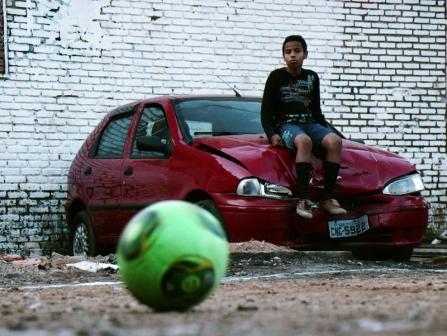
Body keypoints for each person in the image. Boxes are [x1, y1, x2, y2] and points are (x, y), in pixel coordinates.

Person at [261, 34, 347, 219]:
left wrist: (327, 130)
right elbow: (266, 111)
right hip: (287, 125)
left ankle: (327, 198)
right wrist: (271, 134)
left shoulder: (312, 77)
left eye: (297, 51)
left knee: (334, 141)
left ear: (305, 54)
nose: (293, 55)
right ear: (283, 55)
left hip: (311, 123)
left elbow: (316, 110)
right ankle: (304, 199)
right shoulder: (276, 77)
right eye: (288, 52)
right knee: (304, 141)